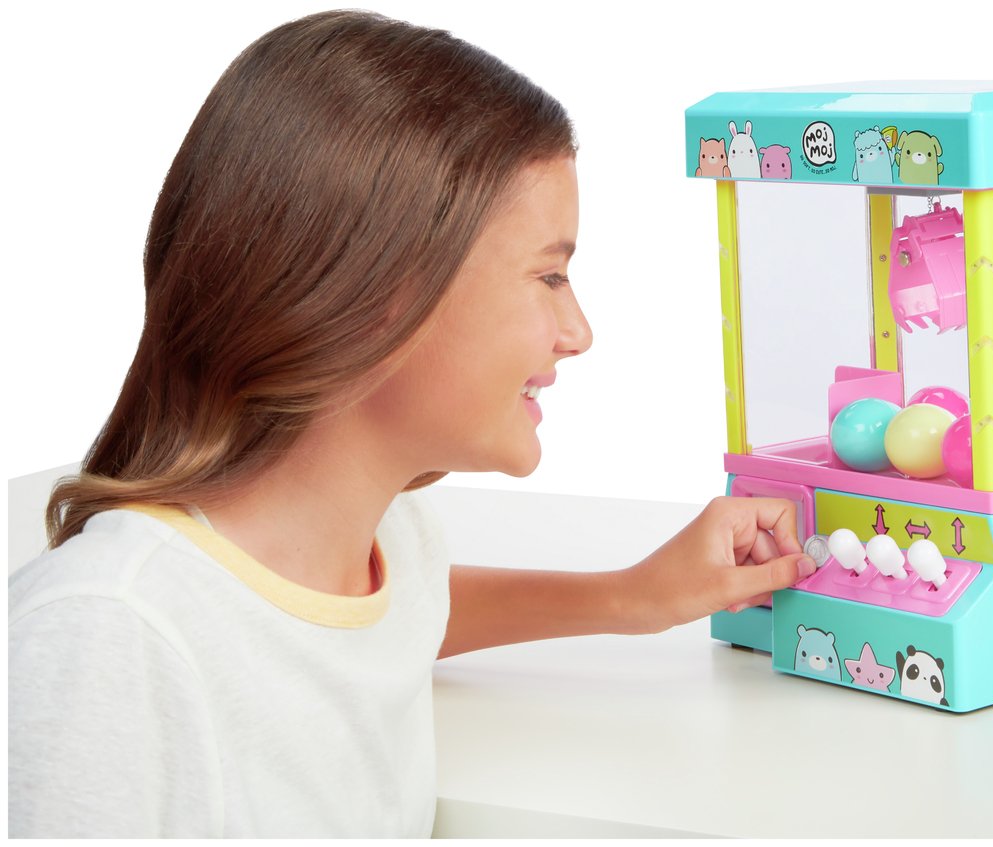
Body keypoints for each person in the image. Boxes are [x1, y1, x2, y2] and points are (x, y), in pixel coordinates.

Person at [7, 9, 812, 838]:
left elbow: (383, 619)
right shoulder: (107, 641)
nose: (578, 332)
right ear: (374, 293)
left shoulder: (384, 544)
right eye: (549, 276)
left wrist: (632, 596)